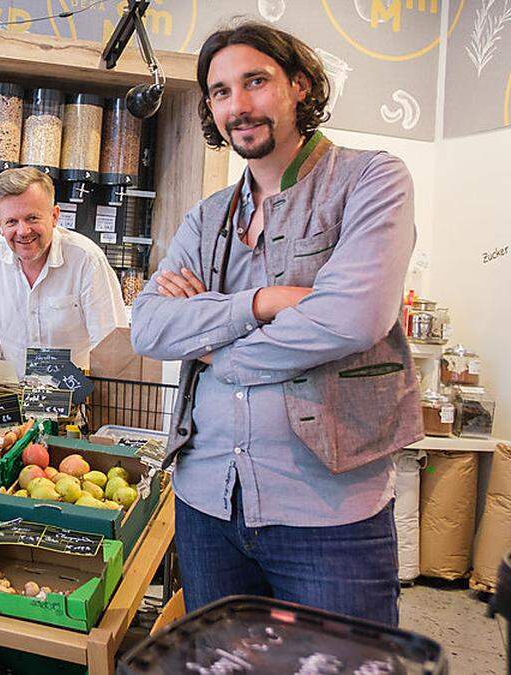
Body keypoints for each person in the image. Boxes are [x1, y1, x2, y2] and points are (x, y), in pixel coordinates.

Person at [131, 22, 422, 626]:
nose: (238, 106)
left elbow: (350, 316)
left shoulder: (370, 179)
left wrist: (217, 351)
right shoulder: (207, 216)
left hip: (328, 513)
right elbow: (150, 328)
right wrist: (260, 303)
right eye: (220, 92)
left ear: (299, 85)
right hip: (207, 501)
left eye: (255, 82)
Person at [0, 167, 128, 378]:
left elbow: (111, 347)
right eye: (11, 222)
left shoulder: (86, 260)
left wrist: (103, 407)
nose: (23, 232)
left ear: (54, 216)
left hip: (76, 403)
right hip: (14, 400)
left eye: (32, 218)